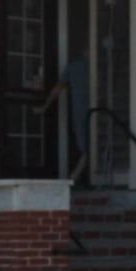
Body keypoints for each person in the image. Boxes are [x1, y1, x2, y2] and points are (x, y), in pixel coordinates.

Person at [35, 53, 90, 183]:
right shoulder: (77, 67)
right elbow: (58, 88)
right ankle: (74, 178)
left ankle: (73, 178)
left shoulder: (74, 67)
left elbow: (57, 89)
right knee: (88, 147)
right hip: (84, 112)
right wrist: (45, 106)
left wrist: (45, 106)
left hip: (84, 112)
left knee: (89, 148)